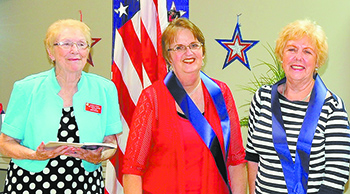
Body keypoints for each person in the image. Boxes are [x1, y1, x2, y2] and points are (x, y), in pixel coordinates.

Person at [122, 18, 247, 194]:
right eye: (179, 48)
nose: (188, 52)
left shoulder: (221, 94)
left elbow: (236, 160)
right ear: (168, 57)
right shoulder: (152, 98)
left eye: (194, 45)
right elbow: (133, 170)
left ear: (202, 52)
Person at [0, 19, 122, 193]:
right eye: (66, 44)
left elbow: (111, 143)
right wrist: (35, 155)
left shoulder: (105, 89)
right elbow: (5, 143)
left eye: (81, 44)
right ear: (51, 52)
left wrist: (99, 156)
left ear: (88, 51)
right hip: (31, 183)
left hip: (85, 184)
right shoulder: (26, 88)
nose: (75, 50)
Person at [245, 19, 350, 194]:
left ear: (317, 62)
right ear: (281, 56)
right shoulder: (261, 98)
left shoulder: (332, 107)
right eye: (292, 49)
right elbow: (253, 157)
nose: (298, 57)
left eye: (307, 52)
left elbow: (337, 173)